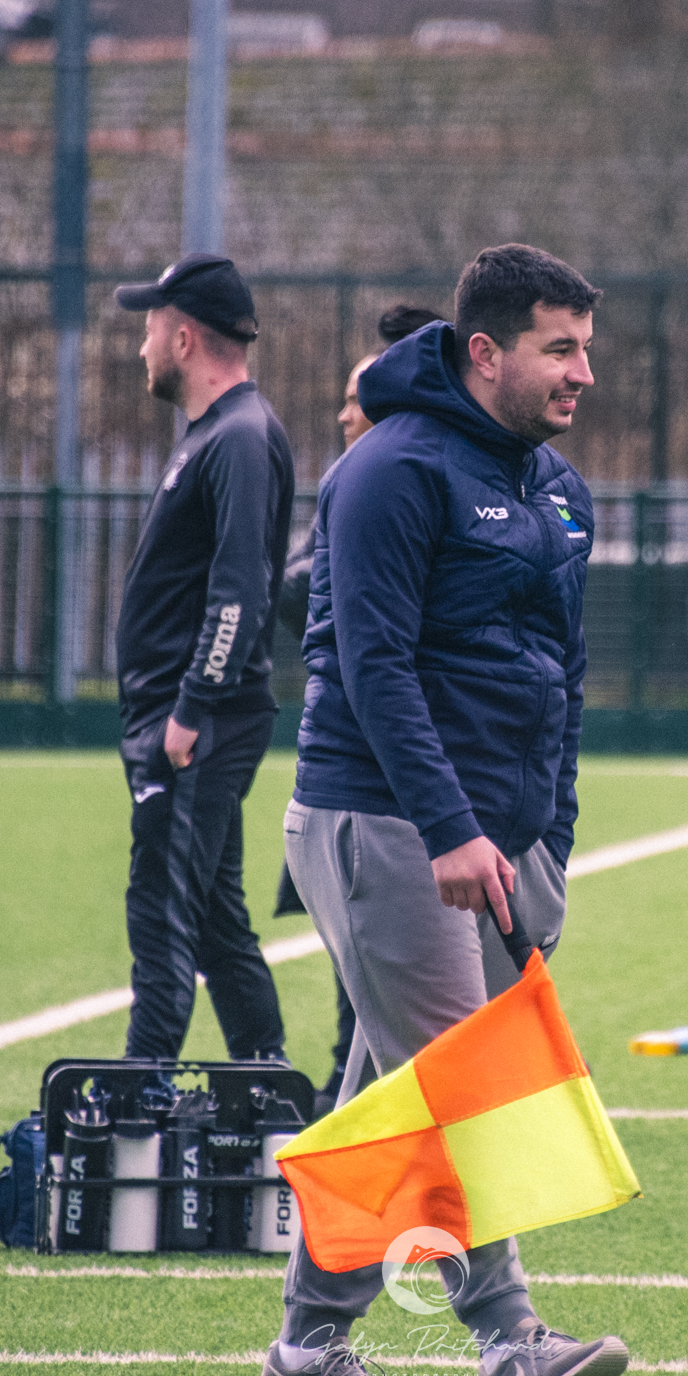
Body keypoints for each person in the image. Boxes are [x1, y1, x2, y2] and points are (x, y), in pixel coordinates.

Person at [248, 246, 623, 1376]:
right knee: (467, 1089)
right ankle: (512, 1346)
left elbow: (562, 676)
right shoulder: (388, 470)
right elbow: (373, 667)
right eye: (560, 349)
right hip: (383, 820)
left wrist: (547, 839)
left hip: (501, 847)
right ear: (485, 351)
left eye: (586, 348)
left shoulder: (559, 488)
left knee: (394, 1106)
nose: (583, 372)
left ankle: (304, 1354)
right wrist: (451, 829)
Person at [112, 253, 295, 1063]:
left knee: (161, 913)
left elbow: (240, 590)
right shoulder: (220, 434)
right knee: (218, 921)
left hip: (198, 724)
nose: (141, 346)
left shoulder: (240, 436)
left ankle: (136, 1093)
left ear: (184, 338)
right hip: (188, 719)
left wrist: (190, 708)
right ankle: (267, 1079)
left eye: (150, 328)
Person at [273, 304, 442, 1107]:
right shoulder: (360, 482)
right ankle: (345, 1103)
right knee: (374, 979)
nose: (346, 412)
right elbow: (303, 596)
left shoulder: (403, 480)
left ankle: (349, 1109)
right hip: (358, 783)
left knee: (396, 1000)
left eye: (357, 396)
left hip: (400, 786)